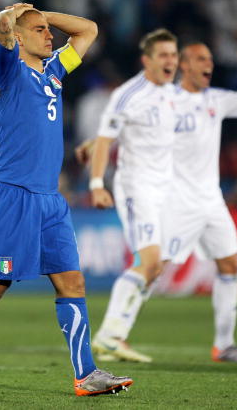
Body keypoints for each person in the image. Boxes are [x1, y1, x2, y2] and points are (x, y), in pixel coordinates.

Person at [0, 3, 133, 396]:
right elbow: (0, 30)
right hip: (12, 198)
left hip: (51, 201)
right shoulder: (8, 71)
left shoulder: (53, 72)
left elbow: (88, 29)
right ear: (19, 38)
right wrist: (8, 17)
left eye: (48, 29)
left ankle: (86, 375)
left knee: (72, 281)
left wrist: (43, 15)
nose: (50, 35)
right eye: (39, 30)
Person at [161, 42, 237, 362]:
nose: (208, 63)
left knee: (229, 265)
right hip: (177, 199)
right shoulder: (167, 100)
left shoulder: (216, 99)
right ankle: (115, 332)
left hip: (212, 200)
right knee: (151, 268)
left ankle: (224, 344)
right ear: (184, 64)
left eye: (210, 57)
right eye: (200, 58)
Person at [78, 28, 179, 363]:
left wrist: (90, 145)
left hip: (166, 188)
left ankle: (114, 336)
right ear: (146, 60)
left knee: (156, 265)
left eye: (173, 55)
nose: (171, 61)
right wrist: (96, 184)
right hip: (137, 186)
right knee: (149, 262)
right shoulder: (128, 93)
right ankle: (110, 335)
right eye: (163, 55)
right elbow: (108, 138)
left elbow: (129, 131)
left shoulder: (173, 94)